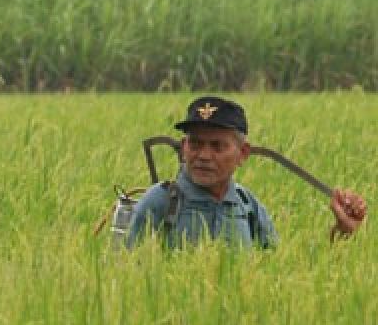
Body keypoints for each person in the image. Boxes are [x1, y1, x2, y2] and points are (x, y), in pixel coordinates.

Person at [127, 96, 366, 249]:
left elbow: (280, 275)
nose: (204, 156)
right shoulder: (159, 202)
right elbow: (127, 276)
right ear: (183, 147)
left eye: (217, 146)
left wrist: (340, 233)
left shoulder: (247, 206)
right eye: (196, 144)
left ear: (243, 153)